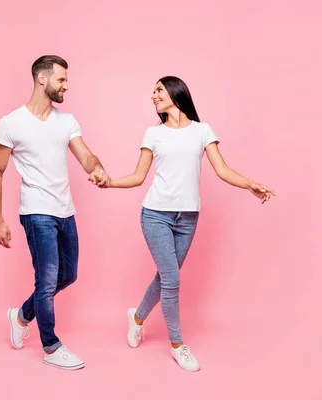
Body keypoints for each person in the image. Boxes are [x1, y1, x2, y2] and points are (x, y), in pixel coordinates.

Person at [102, 76, 275, 372]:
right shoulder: (153, 134)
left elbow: (221, 169)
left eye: (159, 90)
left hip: (188, 218)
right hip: (155, 214)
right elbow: (138, 176)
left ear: (175, 92)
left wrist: (250, 185)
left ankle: (138, 317)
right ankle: (178, 345)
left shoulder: (202, 131)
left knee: (165, 278)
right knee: (172, 280)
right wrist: (110, 183)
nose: (153, 95)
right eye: (153, 91)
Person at [0, 55, 110, 370]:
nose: (66, 86)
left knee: (68, 275)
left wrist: (96, 168)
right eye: (61, 80)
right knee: (45, 279)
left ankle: (22, 315)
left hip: (64, 210)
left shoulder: (66, 121)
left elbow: (86, 156)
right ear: (42, 79)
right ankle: (51, 347)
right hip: (36, 210)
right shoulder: (11, 123)